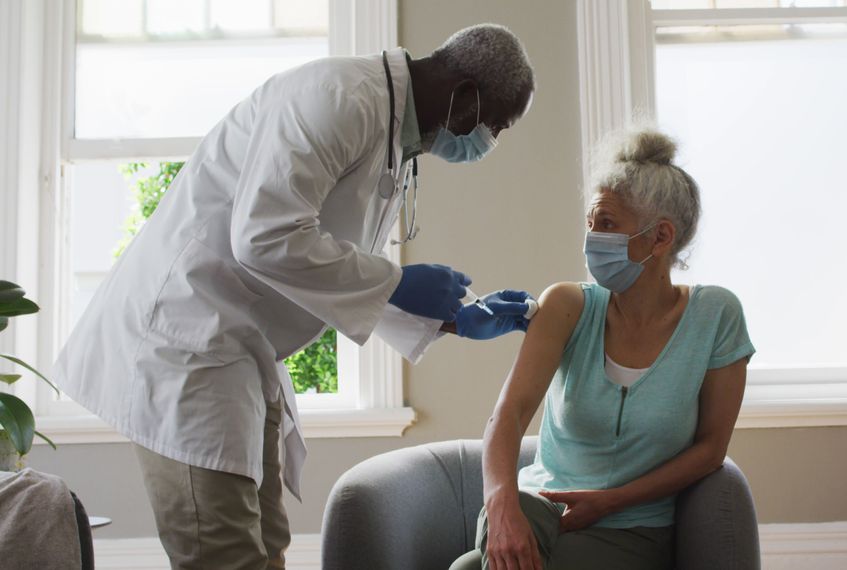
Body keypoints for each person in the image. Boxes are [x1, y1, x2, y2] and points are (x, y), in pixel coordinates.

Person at [53, 24, 535, 569]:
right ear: (466, 96)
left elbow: (324, 267)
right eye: (495, 125)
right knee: (226, 557)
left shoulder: (393, 136)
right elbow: (265, 235)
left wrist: (452, 317)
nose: (488, 142)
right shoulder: (338, 99)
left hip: (240, 350)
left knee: (267, 550)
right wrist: (398, 281)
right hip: (187, 343)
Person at [450, 127, 755, 570]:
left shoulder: (716, 315)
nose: (592, 239)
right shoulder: (567, 304)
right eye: (591, 223)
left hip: (635, 525)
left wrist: (611, 501)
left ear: (661, 237)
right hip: (540, 505)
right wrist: (500, 503)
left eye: (608, 224)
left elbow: (710, 449)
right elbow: (509, 413)